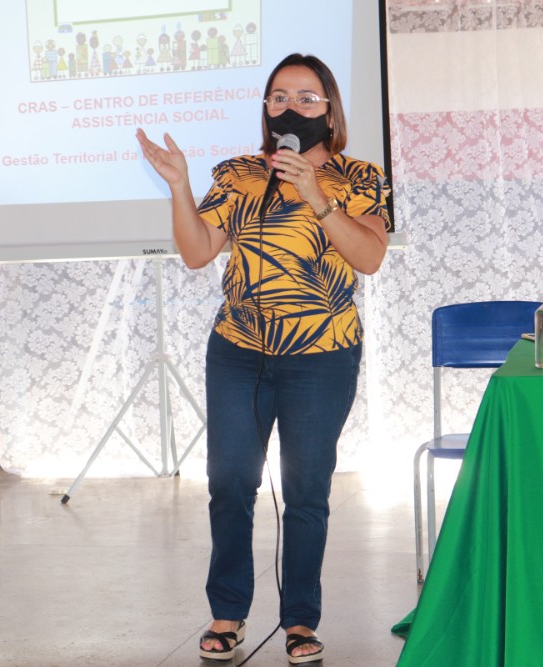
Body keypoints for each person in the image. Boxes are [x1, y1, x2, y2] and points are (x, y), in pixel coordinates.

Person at [136, 53, 390, 664]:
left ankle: (300, 621)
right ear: (267, 108)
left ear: (329, 108)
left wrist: (315, 194)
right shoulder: (239, 174)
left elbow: (370, 257)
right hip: (238, 353)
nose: (291, 107)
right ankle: (228, 612)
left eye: (306, 97)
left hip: (322, 356)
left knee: (305, 490)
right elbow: (198, 252)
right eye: (279, 96)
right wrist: (178, 187)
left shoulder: (361, 177)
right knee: (229, 482)